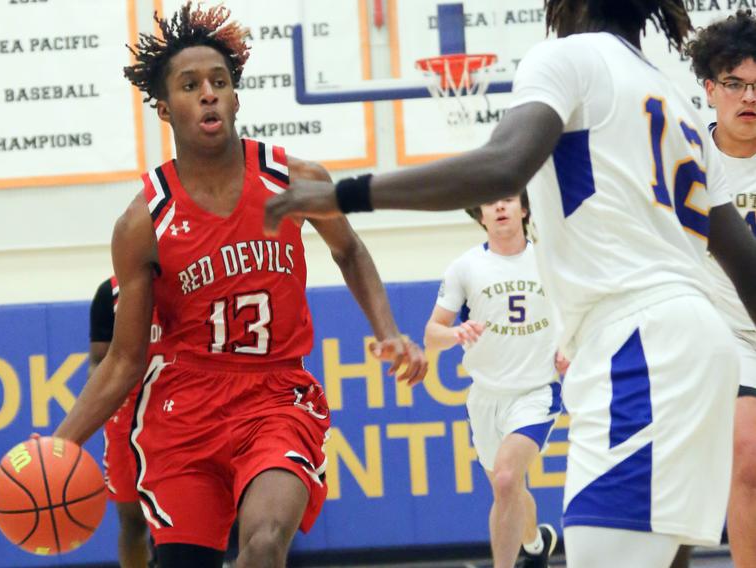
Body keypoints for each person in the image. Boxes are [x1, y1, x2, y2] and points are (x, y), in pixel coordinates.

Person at [264, 1, 756, 565]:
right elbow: (746, 264)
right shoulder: (679, 106)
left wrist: (343, 194)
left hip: (637, 342)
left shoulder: (567, 59)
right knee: (662, 555)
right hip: (703, 346)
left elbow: (503, 166)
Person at [52, 4, 428, 568]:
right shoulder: (143, 224)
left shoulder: (292, 180)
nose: (208, 93)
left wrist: (388, 330)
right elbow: (126, 360)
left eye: (219, 83)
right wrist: (58, 445)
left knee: (265, 540)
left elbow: (348, 249)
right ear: (164, 107)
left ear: (235, 98)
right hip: (185, 406)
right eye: (190, 85)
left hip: (275, 394)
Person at [424, 193, 562, 568]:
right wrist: (455, 334)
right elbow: (431, 333)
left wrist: (570, 347)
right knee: (509, 488)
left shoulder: (550, 259)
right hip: (485, 397)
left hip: (536, 391)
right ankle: (535, 543)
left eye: (507, 199)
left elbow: (580, 309)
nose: (500, 207)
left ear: (525, 208)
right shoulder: (465, 267)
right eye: (490, 202)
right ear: (480, 215)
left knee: (505, 479)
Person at [684, 11, 756, 568]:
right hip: (725, 334)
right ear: (710, 89)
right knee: (746, 456)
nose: (748, 96)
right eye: (735, 83)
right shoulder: (686, 160)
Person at [89, 276, 158, 568]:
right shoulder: (109, 293)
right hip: (126, 415)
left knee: (186, 520)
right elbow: (99, 362)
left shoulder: (190, 278)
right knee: (132, 521)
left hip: (180, 406)